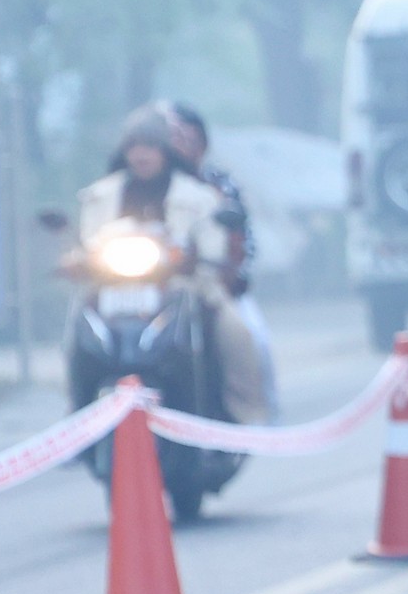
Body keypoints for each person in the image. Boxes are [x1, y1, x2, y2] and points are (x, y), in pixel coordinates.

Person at [73, 108, 267, 424]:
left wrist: (193, 256)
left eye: (149, 146)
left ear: (164, 150)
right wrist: (79, 259)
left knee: (237, 333)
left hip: (184, 286)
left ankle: (245, 415)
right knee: (77, 325)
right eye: (134, 146)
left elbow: (213, 247)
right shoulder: (100, 195)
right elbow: (88, 242)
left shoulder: (198, 195)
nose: (141, 155)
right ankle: (77, 417)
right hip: (112, 288)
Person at [160, 101, 277, 417]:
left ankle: (256, 414)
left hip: (211, 284)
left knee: (252, 338)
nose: (179, 145)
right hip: (149, 289)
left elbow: (243, 241)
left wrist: (229, 275)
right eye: (171, 137)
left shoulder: (217, 187)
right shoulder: (140, 185)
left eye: (186, 138)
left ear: (202, 143)